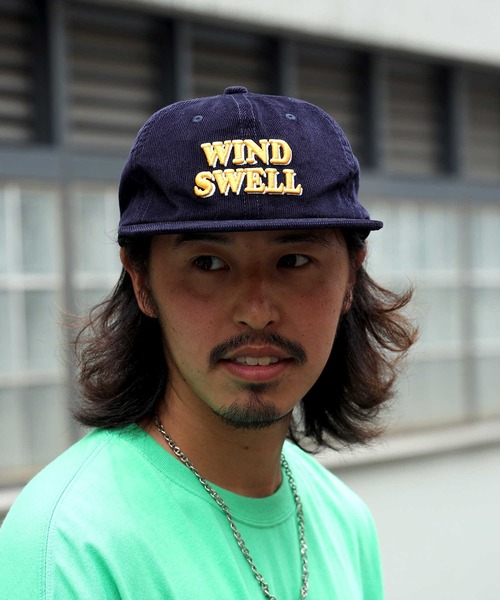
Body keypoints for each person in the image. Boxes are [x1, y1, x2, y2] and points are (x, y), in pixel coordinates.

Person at [0, 86, 416, 599]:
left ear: (351, 276)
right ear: (141, 281)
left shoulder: (344, 521)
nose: (257, 311)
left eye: (293, 261)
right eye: (209, 264)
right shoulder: (70, 543)